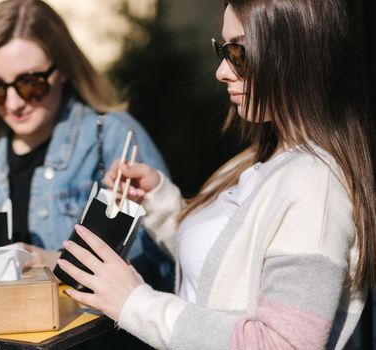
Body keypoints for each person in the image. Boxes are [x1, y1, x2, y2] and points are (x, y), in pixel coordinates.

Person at [56, 0, 376, 348]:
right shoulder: (262, 158)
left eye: (239, 52)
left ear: (297, 52)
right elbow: (223, 272)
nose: (221, 71)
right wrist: (159, 201)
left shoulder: (317, 186)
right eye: (221, 50)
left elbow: (280, 343)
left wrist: (135, 303)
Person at [0, 0, 173, 291]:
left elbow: (163, 263)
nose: (13, 104)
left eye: (30, 84)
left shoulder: (113, 137)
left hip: (79, 335)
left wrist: (60, 264)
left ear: (61, 69)